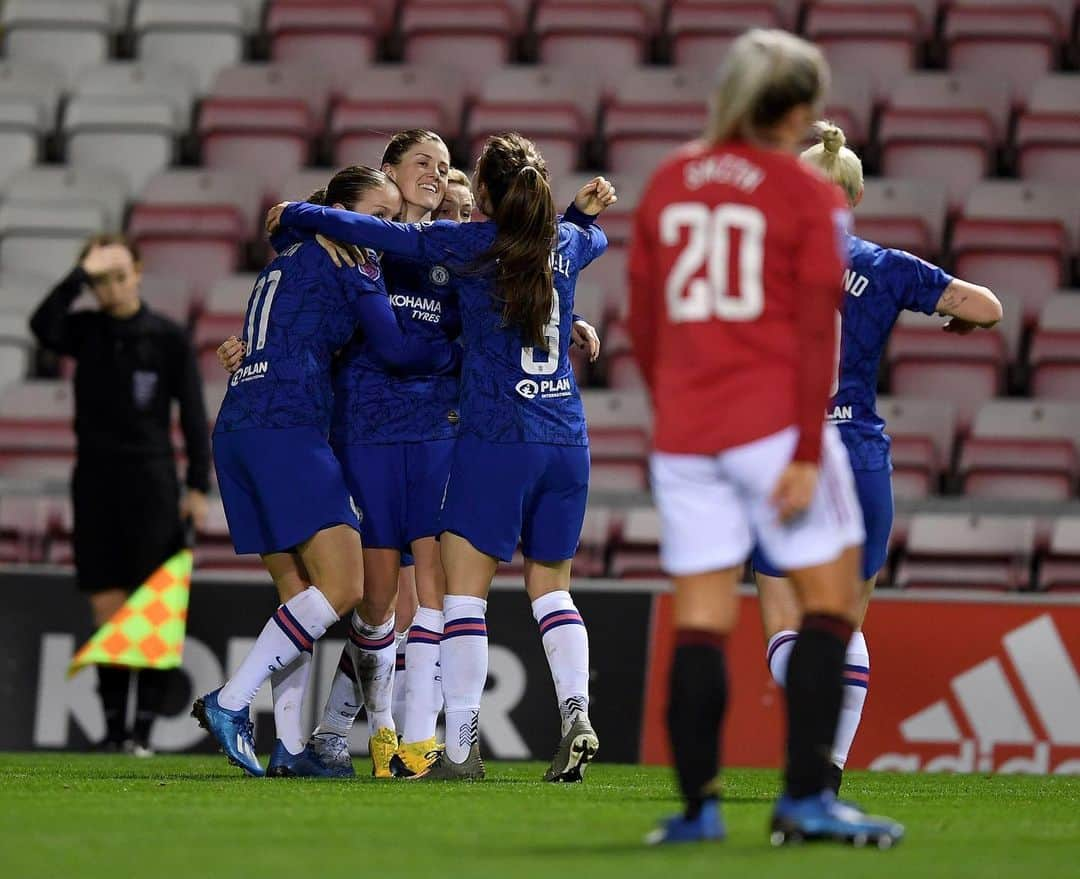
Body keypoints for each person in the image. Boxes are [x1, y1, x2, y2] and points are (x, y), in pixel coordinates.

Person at [627, 29, 904, 847]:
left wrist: (675, 411)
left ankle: (698, 809)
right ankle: (805, 798)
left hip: (687, 433)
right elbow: (818, 331)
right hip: (775, 427)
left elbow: (644, 321)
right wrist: (809, 452)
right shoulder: (806, 194)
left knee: (703, 618)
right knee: (828, 607)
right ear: (797, 108)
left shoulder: (672, 179)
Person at [267, 133, 616, 782]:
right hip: (567, 441)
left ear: (481, 194)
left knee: (461, 596)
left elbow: (385, 235)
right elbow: (588, 238)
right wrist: (583, 216)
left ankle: (460, 748)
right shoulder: (567, 244)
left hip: (496, 438)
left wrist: (299, 212)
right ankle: (576, 709)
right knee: (551, 588)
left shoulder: (467, 244)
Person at [751, 122, 1002, 791]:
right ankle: (827, 769)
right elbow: (988, 305)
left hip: (792, 455)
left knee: (783, 620)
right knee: (843, 624)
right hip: (861, 455)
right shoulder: (887, 266)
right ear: (853, 199)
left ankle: (809, 742)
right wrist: (965, 318)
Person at [191, 165, 461, 778]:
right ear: (343, 213)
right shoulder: (352, 260)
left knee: (297, 595)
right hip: (288, 424)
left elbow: (284, 253)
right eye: (379, 216)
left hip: (239, 424)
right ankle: (231, 702)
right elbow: (393, 347)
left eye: (394, 219)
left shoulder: (289, 253)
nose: (388, 229)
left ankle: (288, 749)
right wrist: (463, 352)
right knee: (344, 588)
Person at [29, 234, 210, 757]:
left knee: (152, 609)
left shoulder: (169, 337)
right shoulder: (83, 331)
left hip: (152, 480)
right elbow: (41, 326)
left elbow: (193, 417)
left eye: (117, 275)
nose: (109, 289)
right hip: (95, 480)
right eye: (99, 280)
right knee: (107, 609)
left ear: (138, 272)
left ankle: (143, 734)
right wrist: (78, 274)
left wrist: (197, 484)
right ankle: (112, 732)